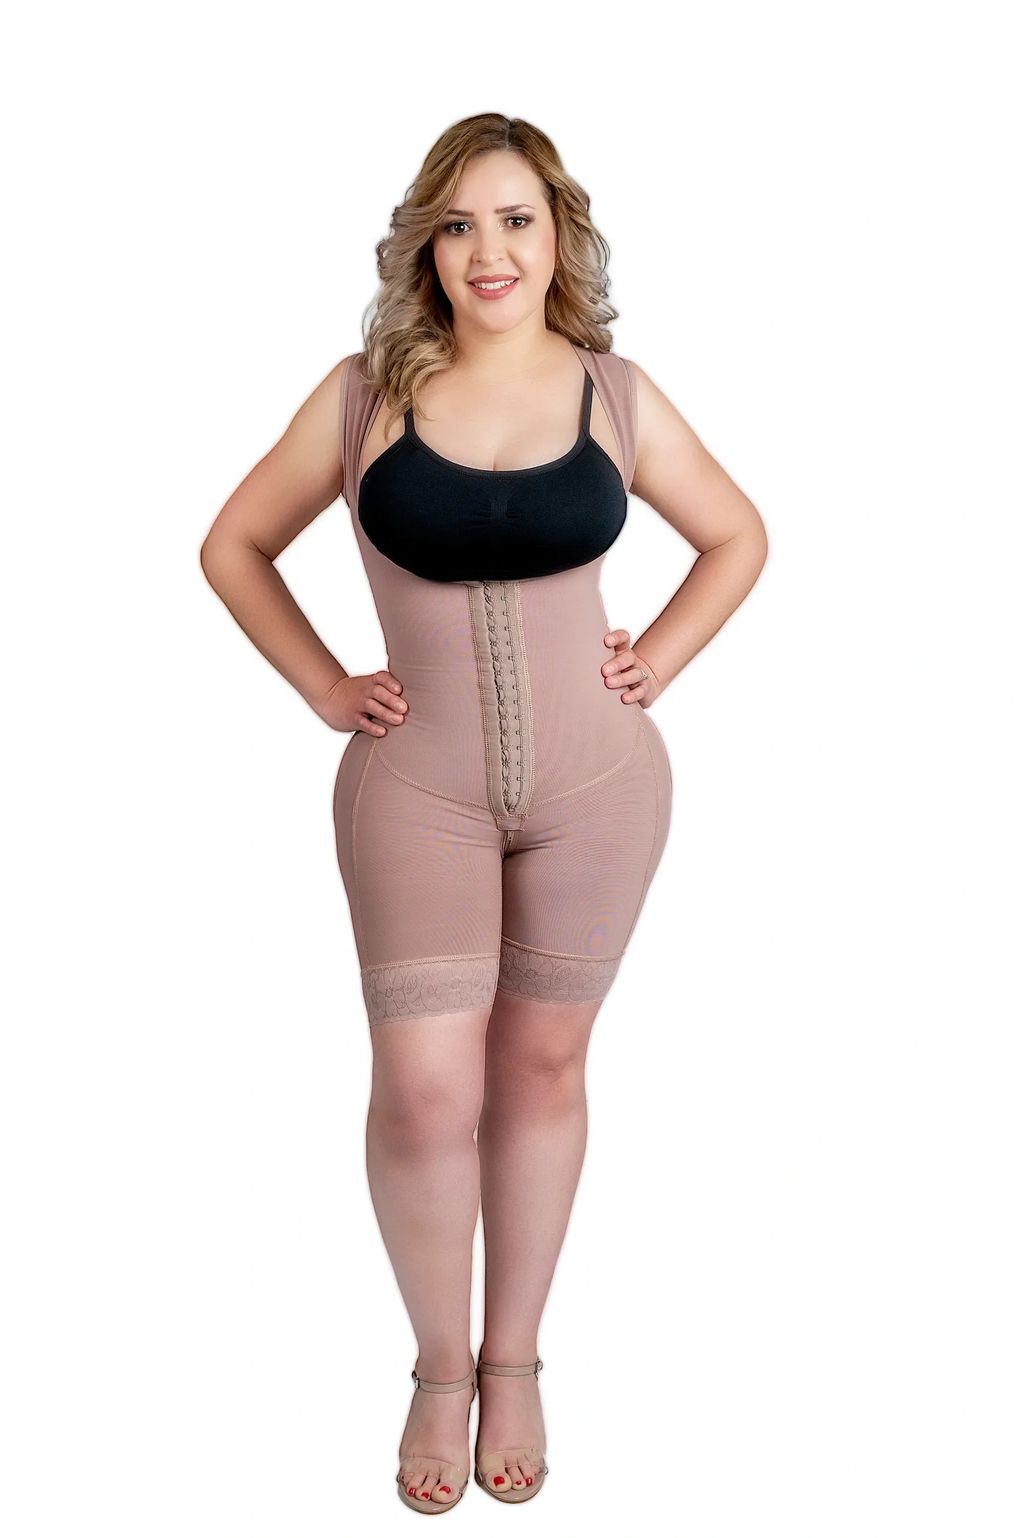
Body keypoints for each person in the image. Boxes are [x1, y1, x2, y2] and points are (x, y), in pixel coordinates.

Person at [200, 112, 767, 1514]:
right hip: (415, 792)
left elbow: (738, 534)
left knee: (544, 1071)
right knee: (424, 1090)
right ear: (426, 248)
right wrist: (325, 683)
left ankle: (515, 1360)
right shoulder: (363, 396)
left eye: (515, 219)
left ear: (559, 233)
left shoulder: (616, 394)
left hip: (601, 793)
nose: (488, 250)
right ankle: (439, 1368)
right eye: (457, 224)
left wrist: (660, 659)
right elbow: (233, 543)